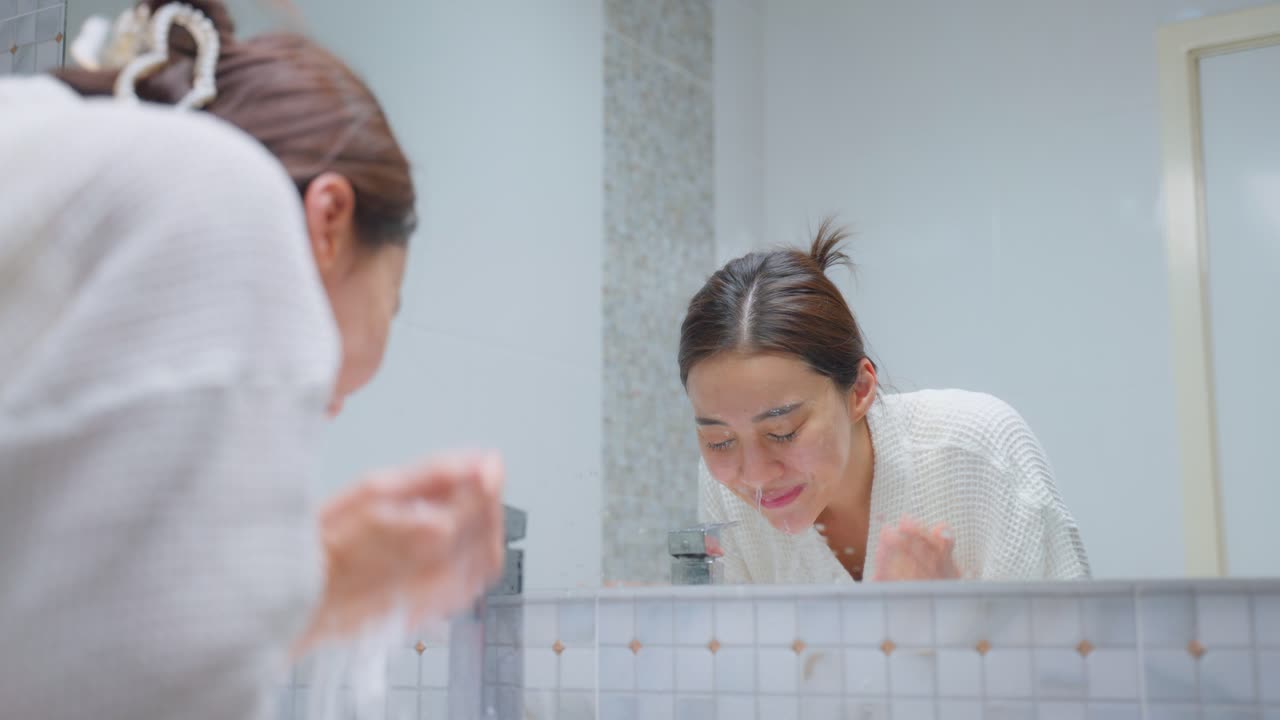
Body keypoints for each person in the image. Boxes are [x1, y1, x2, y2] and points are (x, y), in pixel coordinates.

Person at [0, 2, 504, 718]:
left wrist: (308, 577)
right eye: (390, 301)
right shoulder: (228, 196)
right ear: (328, 219)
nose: (331, 400)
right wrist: (322, 576)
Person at [680, 220, 1090, 584]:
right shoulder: (723, 488)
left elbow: (1078, 659)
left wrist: (956, 617)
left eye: (783, 432)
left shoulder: (977, 449)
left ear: (859, 390)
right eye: (719, 440)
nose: (753, 475)